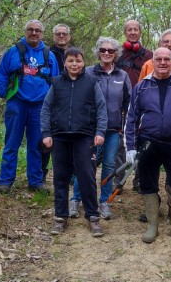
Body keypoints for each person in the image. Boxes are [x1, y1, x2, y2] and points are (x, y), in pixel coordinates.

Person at [124, 47, 171, 247]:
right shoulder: (142, 86)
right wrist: (130, 146)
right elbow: (131, 118)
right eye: (159, 59)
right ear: (153, 61)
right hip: (147, 142)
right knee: (148, 183)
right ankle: (152, 225)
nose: (163, 62)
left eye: (167, 59)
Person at [40, 47, 107, 236]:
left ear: (83, 62)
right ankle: (60, 218)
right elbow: (46, 109)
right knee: (60, 178)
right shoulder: (56, 83)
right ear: (65, 63)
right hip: (60, 137)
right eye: (70, 61)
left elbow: (101, 109)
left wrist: (100, 131)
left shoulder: (92, 83)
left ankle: (93, 218)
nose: (74, 64)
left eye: (78, 60)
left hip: (85, 137)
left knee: (86, 177)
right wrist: (46, 133)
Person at [0, 19, 60, 194]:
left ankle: (35, 181)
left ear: (42, 33)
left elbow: (56, 82)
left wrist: (53, 106)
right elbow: (1, 74)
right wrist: (4, 94)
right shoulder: (13, 52)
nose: (34, 33)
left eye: (38, 30)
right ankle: (5, 181)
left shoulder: (49, 55)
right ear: (25, 32)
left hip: (39, 107)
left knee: (36, 145)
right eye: (30, 30)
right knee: (11, 143)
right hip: (17, 104)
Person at [69, 37, 131, 220]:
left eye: (111, 51)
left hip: (113, 129)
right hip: (90, 129)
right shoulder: (87, 73)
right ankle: (76, 199)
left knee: (110, 165)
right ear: (98, 52)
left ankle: (104, 202)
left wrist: (125, 126)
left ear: (116, 54)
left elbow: (129, 103)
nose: (106, 53)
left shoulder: (122, 76)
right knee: (86, 165)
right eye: (103, 50)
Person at [116, 19, 154, 192]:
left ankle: (139, 180)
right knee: (121, 143)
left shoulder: (149, 55)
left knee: (142, 141)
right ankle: (119, 179)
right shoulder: (117, 54)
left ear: (140, 33)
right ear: (125, 32)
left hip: (143, 104)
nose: (132, 32)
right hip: (121, 104)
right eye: (129, 30)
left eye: (135, 29)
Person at [40, 24, 74, 182]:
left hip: (71, 100)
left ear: (69, 36)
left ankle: (70, 174)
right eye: (58, 34)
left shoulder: (74, 54)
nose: (61, 36)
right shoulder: (47, 53)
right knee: (47, 139)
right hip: (51, 98)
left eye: (64, 34)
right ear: (53, 36)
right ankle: (41, 173)